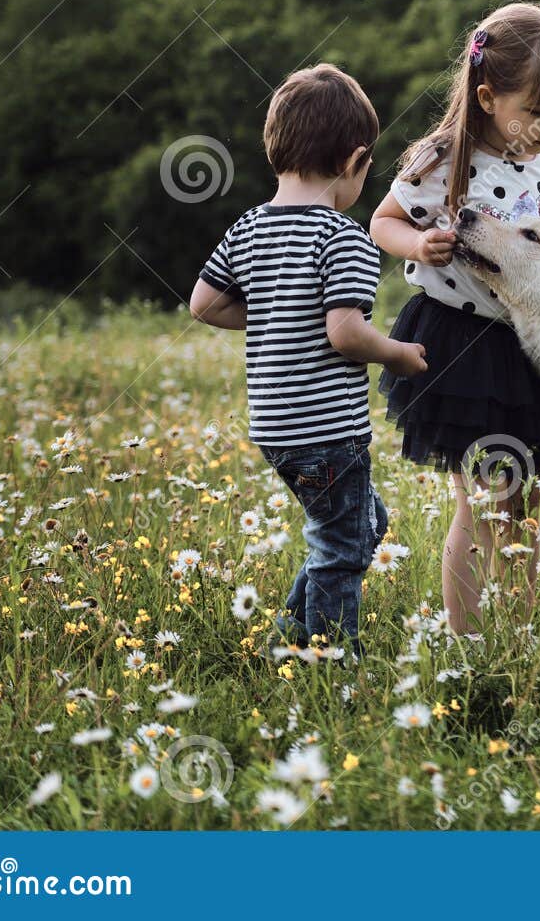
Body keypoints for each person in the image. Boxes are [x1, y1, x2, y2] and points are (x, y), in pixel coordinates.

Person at [190, 63, 427, 658]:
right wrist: (395, 353)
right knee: (344, 549)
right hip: (327, 431)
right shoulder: (342, 236)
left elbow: (205, 305)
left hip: (276, 430)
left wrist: (276, 314)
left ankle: (292, 632)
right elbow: (347, 333)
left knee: (363, 527)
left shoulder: (247, 227)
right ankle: (326, 659)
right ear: (354, 161)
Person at [369, 2, 540, 633]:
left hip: (526, 342)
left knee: (525, 501)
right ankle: (467, 636)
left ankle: (517, 625)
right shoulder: (441, 159)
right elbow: (383, 221)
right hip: (462, 346)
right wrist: (417, 246)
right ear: (488, 97)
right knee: (483, 500)